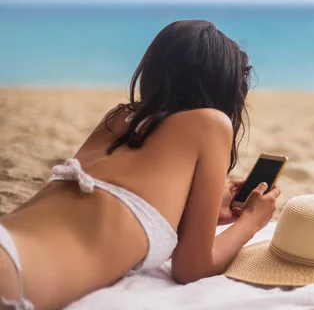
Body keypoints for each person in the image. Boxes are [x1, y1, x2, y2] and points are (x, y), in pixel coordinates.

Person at [0, 20, 281, 310]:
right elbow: (192, 268)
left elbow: (115, 204)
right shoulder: (211, 123)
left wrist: (201, 211)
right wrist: (251, 221)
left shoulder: (117, 121)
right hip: (13, 275)